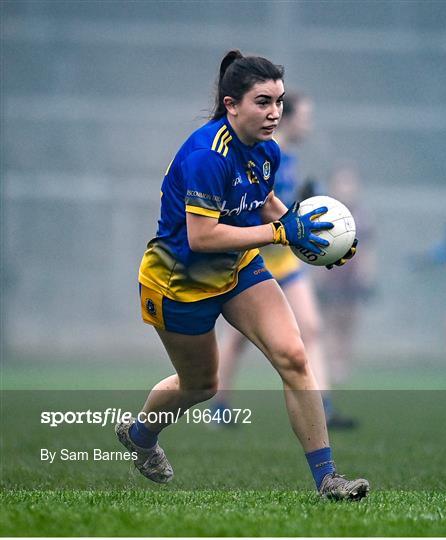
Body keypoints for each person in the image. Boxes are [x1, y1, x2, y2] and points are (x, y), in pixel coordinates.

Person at [115, 50, 369, 500]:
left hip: (238, 270)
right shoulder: (206, 156)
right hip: (178, 284)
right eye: (263, 102)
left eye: (279, 102)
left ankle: (329, 479)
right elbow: (202, 236)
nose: (275, 113)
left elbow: (266, 202)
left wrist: (309, 238)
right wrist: (277, 233)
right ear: (231, 105)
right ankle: (139, 435)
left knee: (293, 356)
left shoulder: (267, 150)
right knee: (200, 385)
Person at [213, 92, 357, 428]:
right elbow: (257, 205)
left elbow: (287, 207)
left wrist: (318, 223)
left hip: (285, 261)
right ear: (289, 118)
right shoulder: (268, 152)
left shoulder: (288, 156)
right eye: (306, 116)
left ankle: (324, 406)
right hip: (257, 258)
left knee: (311, 328)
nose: (309, 122)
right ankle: (218, 406)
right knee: (239, 338)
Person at [316, 164, 376, 385]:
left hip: (352, 278)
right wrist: (319, 278)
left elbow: (368, 248)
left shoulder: (363, 216)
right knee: (329, 320)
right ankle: (330, 364)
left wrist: (367, 276)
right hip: (331, 275)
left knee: (349, 320)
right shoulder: (325, 212)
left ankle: (344, 364)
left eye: (351, 182)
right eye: (342, 182)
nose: (347, 188)